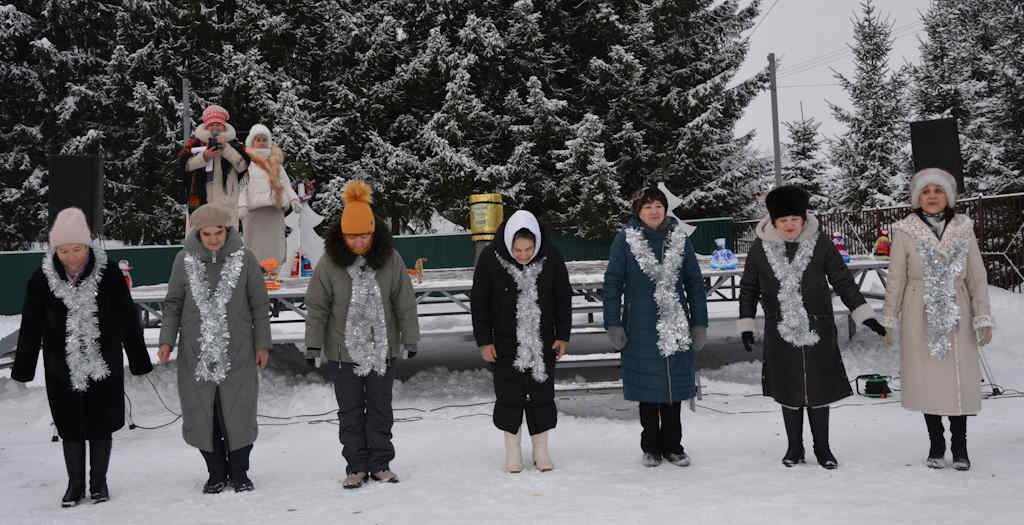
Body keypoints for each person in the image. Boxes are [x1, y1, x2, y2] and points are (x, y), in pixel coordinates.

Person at [738, 185, 887, 469]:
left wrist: (863, 313)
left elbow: (843, 280)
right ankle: (794, 448)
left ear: (804, 219)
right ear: (773, 221)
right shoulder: (760, 248)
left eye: (795, 219)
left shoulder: (820, 243)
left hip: (819, 327)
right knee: (788, 387)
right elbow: (748, 289)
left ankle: (823, 448)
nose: (790, 225)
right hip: (780, 329)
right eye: (783, 220)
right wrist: (746, 323)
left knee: (818, 387)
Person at [12, 208, 153, 507]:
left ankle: (98, 483)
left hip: (103, 362)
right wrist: (23, 369)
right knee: (69, 424)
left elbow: (128, 318)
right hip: (60, 365)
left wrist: (138, 359)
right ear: (55, 250)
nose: (71, 257)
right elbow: (30, 326)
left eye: (76, 249)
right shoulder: (41, 279)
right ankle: (74, 485)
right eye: (63, 251)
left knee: (101, 422)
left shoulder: (109, 274)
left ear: (88, 246)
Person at [304, 180, 420, 489]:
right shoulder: (329, 264)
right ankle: (356, 466)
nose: (358, 242)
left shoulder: (391, 260)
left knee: (380, 410)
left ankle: (380, 463)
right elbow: (317, 307)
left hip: (382, 352)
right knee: (351, 412)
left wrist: (410, 338)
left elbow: (404, 302)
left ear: (373, 232)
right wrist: (314, 346)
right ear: (343, 235)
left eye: (364, 236)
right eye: (352, 237)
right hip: (343, 354)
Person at [881, 168, 992, 471]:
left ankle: (960, 445)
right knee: (927, 378)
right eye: (926, 191)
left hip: (957, 309)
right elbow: (896, 278)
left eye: (938, 190)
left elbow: (976, 276)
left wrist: (982, 316)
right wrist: (889, 319)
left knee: (958, 379)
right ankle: (936, 443)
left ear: (949, 196)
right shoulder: (905, 230)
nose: (932, 196)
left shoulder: (963, 228)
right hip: (920, 308)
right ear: (918, 197)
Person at [157, 204, 271, 493]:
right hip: (197, 355)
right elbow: (173, 305)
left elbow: (259, 305)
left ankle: (240, 472)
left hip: (239, 352)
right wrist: (166, 340)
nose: (212, 239)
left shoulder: (244, 259)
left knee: (238, 413)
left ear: (227, 230)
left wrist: (262, 344)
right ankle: (216, 472)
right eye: (206, 234)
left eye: (217, 232)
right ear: (197, 232)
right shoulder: (182, 261)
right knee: (203, 414)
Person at [603, 187, 708, 467]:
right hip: (639, 325)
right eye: (647, 206)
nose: (653, 210)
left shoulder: (680, 239)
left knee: (673, 388)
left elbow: (695, 284)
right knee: (647, 387)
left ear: (665, 209)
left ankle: (674, 446)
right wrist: (613, 323)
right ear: (638, 211)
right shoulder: (625, 240)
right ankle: (650, 447)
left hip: (676, 324)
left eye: (658, 205)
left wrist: (699, 323)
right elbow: (612, 283)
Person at [471, 210, 572, 473]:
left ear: (537, 243)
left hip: (543, 342)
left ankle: (541, 451)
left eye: (529, 249)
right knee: (509, 396)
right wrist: (484, 341)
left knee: (542, 395)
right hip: (504, 343)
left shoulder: (551, 258)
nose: (524, 255)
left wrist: (563, 335)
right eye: (518, 250)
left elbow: (563, 298)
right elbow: (479, 303)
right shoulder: (490, 259)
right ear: (508, 244)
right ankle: (513, 452)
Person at [238, 123, 300, 265]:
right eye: (258, 139)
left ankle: (275, 271)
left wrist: (294, 200)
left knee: (276, 243)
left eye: (264, 139)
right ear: (251, 141)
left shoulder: (276, 164)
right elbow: (241, 187)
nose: (261, 142)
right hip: (253, 212)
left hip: (274, 210)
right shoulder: (246, 164)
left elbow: (286, 184)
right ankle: (254, 272)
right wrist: (241, 205)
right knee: (253, 245)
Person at [178, 105, 249, 227]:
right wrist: (204, 157)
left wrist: (226, 149)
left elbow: (242, 166)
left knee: (226, 238)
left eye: (218, 125)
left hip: (227, 200)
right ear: (205, 127)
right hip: (200, 200)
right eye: (211, 125)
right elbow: (184, 166)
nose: (214, 128)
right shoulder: (195, 143)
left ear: (224, 126)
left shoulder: (234, 144)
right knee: (201, 238)